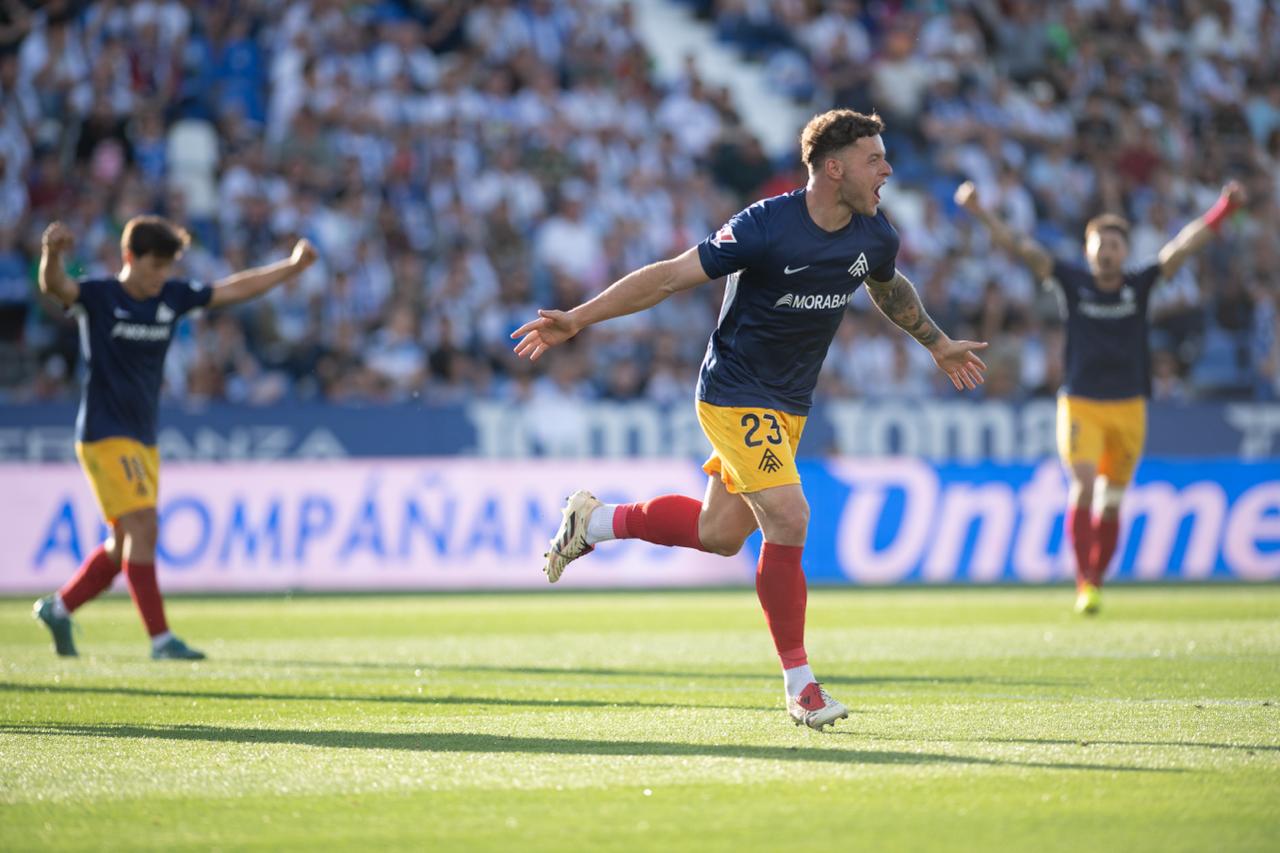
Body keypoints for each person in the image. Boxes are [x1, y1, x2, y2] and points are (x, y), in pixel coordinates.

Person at [512, 110, 988, 730]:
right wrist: (578, 317)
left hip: (789, 404)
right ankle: (801, 686)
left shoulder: (875, 234)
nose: (888, 170)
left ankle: (594, 522)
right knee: (790, 516)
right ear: (834, 168)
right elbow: (668, 278)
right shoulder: (765, 226)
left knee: (719, 534)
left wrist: (937, 342)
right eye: (874, 159)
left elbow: (887, 286)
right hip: (734, 392)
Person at [954, 179, 1247, 615]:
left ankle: (1096, 579)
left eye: (1114, 245)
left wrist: (1224, 210)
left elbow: (1183, 246)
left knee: (1111, 502)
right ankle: (1084, 583)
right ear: (1087, 249)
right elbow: (1021, 246)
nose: (1107, 252)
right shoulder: (1072, 282)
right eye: (1100, 244)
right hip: (1081, 403)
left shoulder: (1140, 284)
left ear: (1124, 252)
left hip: (1129, 406)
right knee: (1084, 486)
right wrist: (980, 211)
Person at [33, 216, 318, 659]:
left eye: (167, 268)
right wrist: (52, 254)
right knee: (145, 526)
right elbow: (55, 287)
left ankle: (60, 608)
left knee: (124, 544)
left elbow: (234, 289)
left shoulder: (172, 296)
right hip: (104, 434)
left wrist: (292, 267)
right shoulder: (100, 296)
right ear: (129, 257)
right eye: (154, 267)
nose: (161, 277)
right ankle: (161, 640)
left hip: (143, 438)